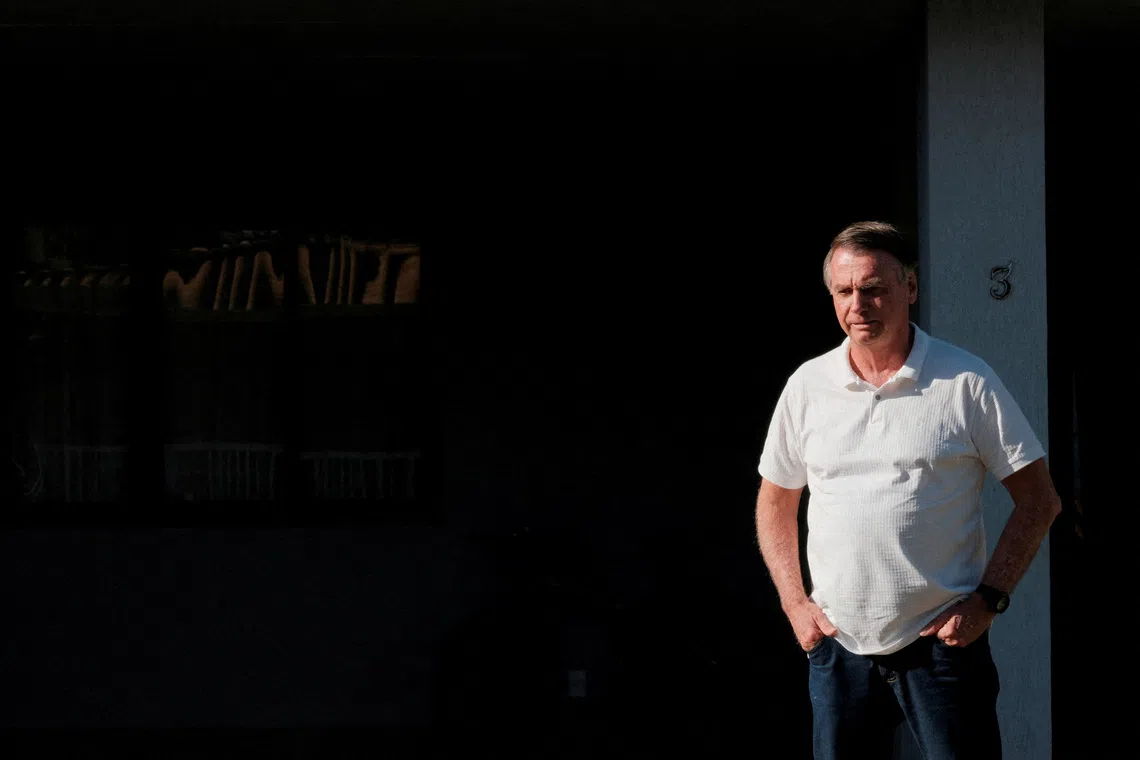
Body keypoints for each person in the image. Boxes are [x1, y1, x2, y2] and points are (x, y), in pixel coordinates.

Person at [755, 221, 1061, 759]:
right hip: (838, 646)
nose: (859, 305)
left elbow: (1039, 500)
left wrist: (988, 601)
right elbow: (775, 500)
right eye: (845, 291)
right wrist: (794, 605)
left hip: (942, 647)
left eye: (874, 288)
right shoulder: (808, 386)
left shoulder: (965, 381)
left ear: (910, 288)